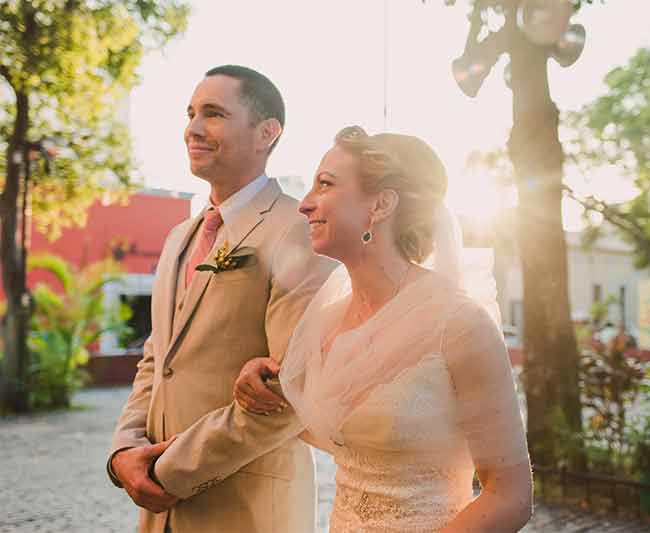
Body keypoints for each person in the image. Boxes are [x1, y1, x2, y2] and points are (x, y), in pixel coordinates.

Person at [235, 126, 532, 531]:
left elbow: (511, 495)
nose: (304, 205)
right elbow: (337, 428)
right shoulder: (329, 319)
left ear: (381, 204)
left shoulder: (459, 324)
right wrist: (268, 383)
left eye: (325, 184)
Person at [107, 65, 335, 533]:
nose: (192, 128)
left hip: (249, 509)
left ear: (267, 132)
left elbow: (291, 390)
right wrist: (125, 451)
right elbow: (157, 359)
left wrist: (170, 470)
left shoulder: (301, 233)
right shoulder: (177, 238)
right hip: (158, 512)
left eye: (213, 113)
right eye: (190, 113)